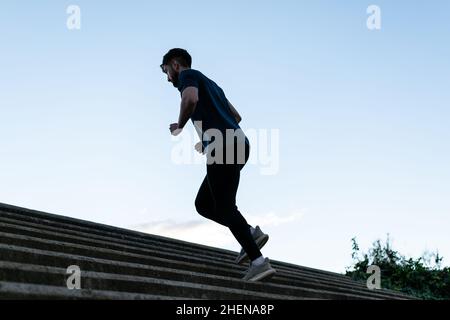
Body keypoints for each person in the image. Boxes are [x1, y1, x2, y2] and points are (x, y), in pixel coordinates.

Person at [160, 48, 276, 281]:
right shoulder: (214, 85)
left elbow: (190, 99)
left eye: (166, 72)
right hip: (238, 143)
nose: (167, 79)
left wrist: (180, 126)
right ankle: (250, 233)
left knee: (224, 206)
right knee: (203, 203)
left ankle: (258, 261)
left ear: (175, 65)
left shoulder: (187, 76)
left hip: (224, 146)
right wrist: (207, 138)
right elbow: (236, 117)